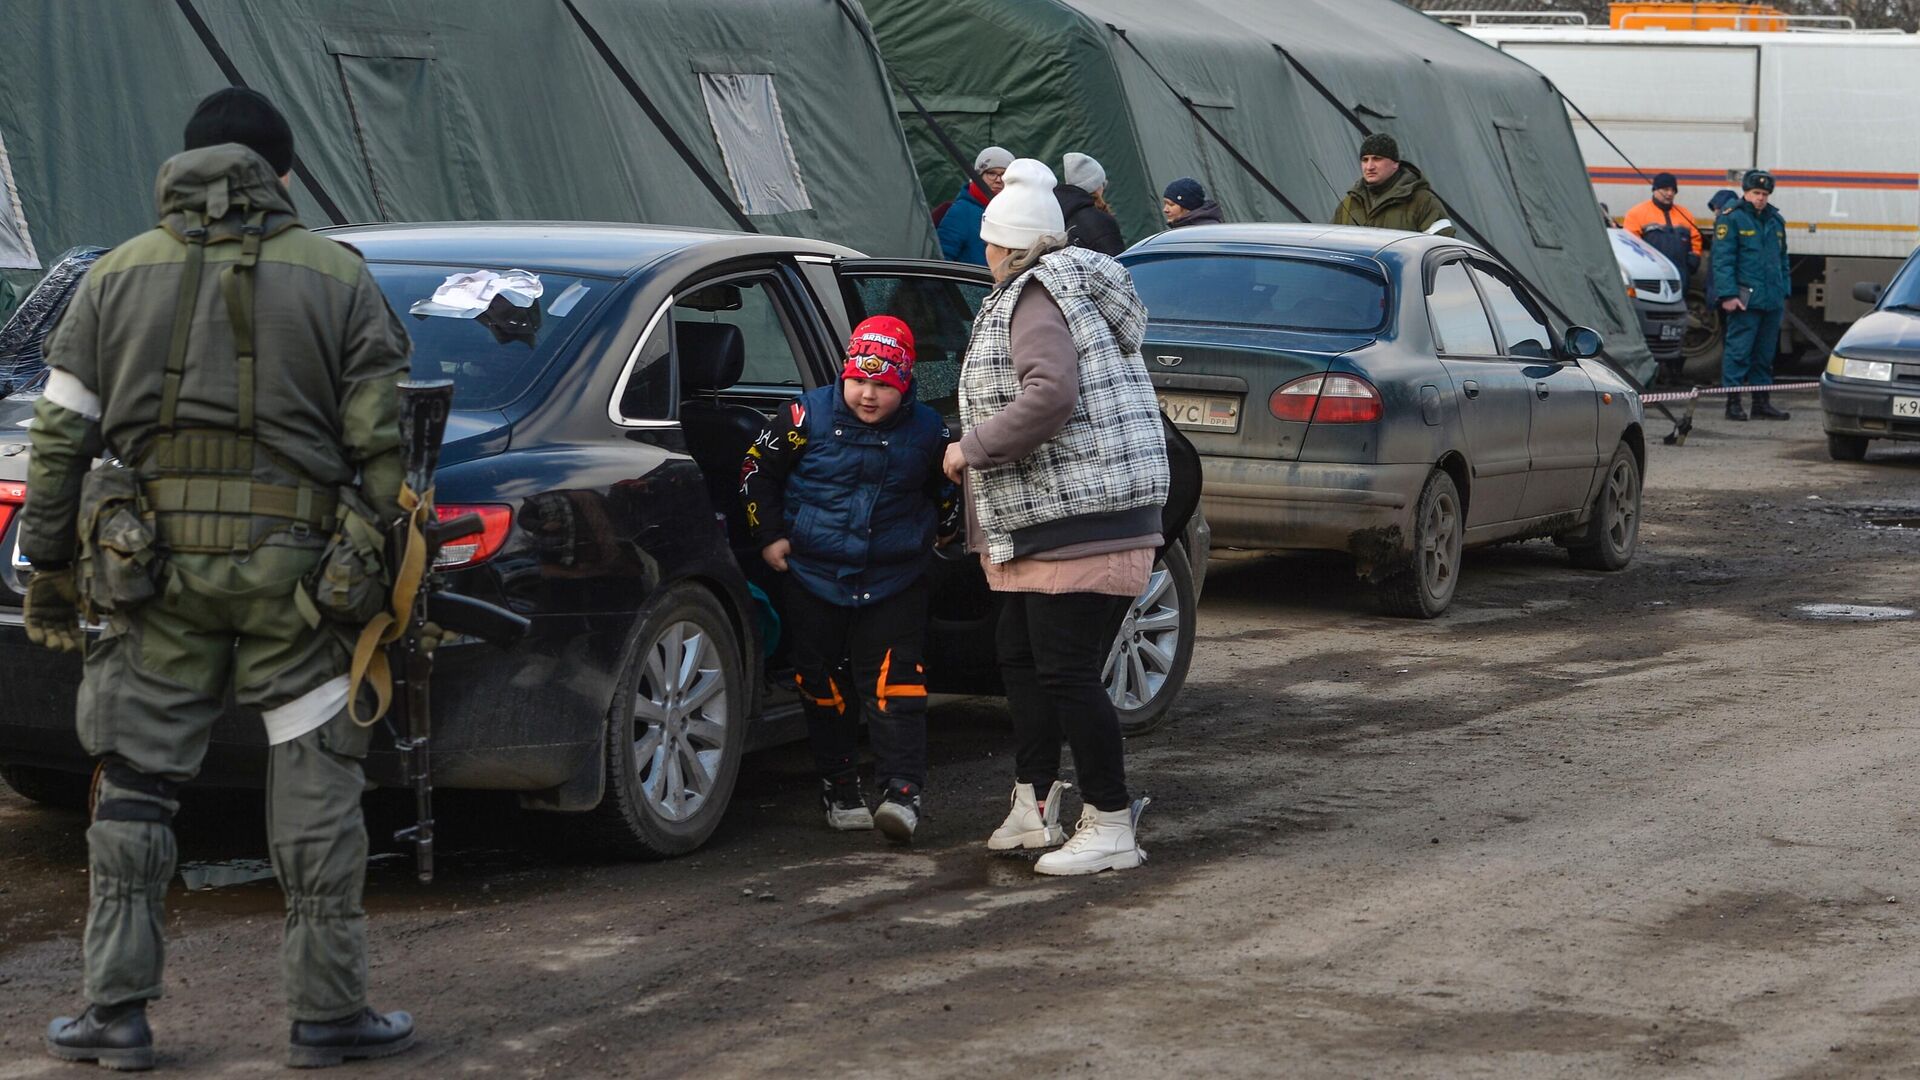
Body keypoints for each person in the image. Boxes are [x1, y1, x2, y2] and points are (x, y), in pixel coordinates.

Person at [20, 88, 416, 1068]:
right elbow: (386, 456)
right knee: (315, 780)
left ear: (185, 165)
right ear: (282, 175)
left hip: (149, 580)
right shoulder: (340, 277)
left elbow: (58, 443)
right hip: (300, 582)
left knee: (139, 787)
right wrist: (364, 569)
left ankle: (115, 1014)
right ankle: (326, 1017)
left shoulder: (112, 279)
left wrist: (52, 567)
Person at [941, 159, 1168, 876]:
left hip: (1078, 519)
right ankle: (1034, 803)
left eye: (986, 244)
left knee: (1066, 669)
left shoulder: (1035, 295)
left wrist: (968, 450)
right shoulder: (1061, 288)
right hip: (1068, 517)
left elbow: (1049, 396)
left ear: (1004, 246)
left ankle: (1108, 822)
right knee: (1022, 656)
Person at [741, 316, 958, 843]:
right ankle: (840, 787)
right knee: (822, 687)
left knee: (896, 686)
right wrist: (768, 535)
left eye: (883, 385)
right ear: (844, 374)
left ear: (905, 384)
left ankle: (903, 793)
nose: (868, 394)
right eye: (859, 380)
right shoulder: (803, 415)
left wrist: (942, 534)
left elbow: (949, 491)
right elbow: (755, 472)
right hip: (813, 577)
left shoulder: (930, 430)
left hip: (895, 580)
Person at [1711, 169, 1793, 421]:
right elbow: (1723, 260)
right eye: (1756, 193)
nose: (1760, 198)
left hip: (1771, 299)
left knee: (1765, 354)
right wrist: (1727, 295)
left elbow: (1782, 260)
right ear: (1745, 192)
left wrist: (1784, 291)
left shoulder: (1775, 221)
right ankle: (1733, 403)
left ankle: (1761, 403)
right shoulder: (1731, 218)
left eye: (1765, 194)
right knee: (1738, 352)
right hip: (1744, 299)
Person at [1330, 133, 1455, 236]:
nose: (1369, 167)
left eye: (1377, 159)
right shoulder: (1348, 204)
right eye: (1365, 160)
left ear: (1395, 164)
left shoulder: (1423, 202)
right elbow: (1329, 247)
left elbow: (1443, 249)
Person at [937, 146, 1013, 266]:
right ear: (979, 176)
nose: (998, 180)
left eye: (1004, 175)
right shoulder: (961, 211)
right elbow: (941, 260)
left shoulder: (1016, 213)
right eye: (991, 173)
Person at [1623, 172, 1703, 283]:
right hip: (1650, 274)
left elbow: (1695, 239)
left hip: (1680, 274)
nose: (1670, 194)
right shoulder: (1636, 213)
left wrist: (1694, 258)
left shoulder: (1685, 214)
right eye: (1665, 189)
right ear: (1654, 190)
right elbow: (1630, 243)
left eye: (1673, 190)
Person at [1055, 152, 1124, 256]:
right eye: (1103, 184)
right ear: (1097, 186)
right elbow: (1119, 264)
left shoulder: (1056, 218)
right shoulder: (1102, 222)